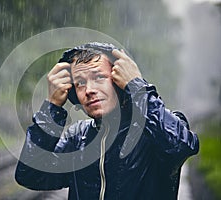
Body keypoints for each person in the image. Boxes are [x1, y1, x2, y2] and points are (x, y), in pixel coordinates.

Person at [15, 42, 199, 200]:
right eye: (80, 83)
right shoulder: (78, 138)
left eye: (99, 77)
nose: (89, 90)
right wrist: (52, 108)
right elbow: (30, 175)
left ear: (121, 81)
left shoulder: (155, 131)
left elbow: (180, 146)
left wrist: (137, 87)